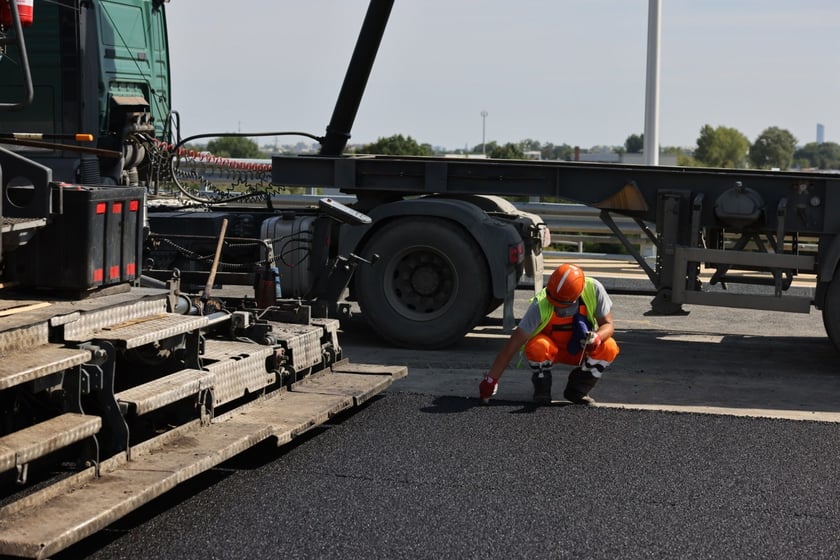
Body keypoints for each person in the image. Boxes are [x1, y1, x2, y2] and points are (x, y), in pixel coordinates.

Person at [479, 263, 619, 405]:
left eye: (561, 303)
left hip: (581, 349)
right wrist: (491, 380)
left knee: (609, 347)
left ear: (577, 295)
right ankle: (542, 391)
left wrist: (597, 337)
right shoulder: (540, 304)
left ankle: (577, 391)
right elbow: (512, 345)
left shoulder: (594, 289)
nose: (556, 306)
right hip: (550, 352)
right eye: (553, 300)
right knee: (538, 346)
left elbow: (608, 324)